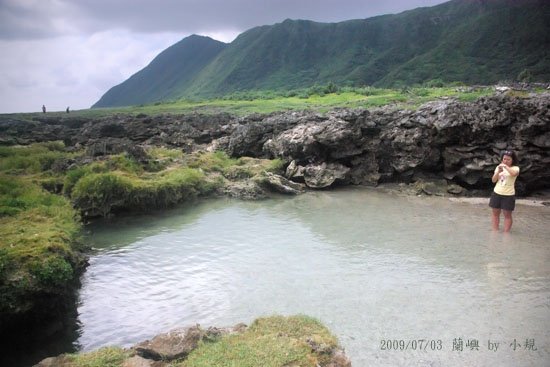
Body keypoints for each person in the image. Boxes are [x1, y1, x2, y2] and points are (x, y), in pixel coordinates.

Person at [489, 149, 520, 232]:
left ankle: (506, 233)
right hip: (497, 192)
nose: (506, 161)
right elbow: (493, 180)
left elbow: (513, 174)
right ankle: (495, 231)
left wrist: (506, 167)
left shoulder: (515, 168)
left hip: (508, 194)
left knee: (507, 214)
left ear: (513, 160)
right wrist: (498, 171)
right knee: (495, 213)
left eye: (508, 159)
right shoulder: (498, 167)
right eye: (504, 159)